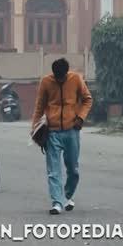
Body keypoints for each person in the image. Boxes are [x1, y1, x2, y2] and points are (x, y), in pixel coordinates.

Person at [31, 57, 92, 215]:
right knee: (53, 171)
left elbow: (87, 100)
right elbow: (39, 106)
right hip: (52, 132)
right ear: (53, 73)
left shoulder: (76, 79)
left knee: (73, 169)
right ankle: (57, 202)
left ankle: (67, 195)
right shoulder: (46, 82)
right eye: (57, 76)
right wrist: (34, 129)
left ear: (66, 72)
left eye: (62, 76)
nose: (59, 79)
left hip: (72, 130)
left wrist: (81, 117)